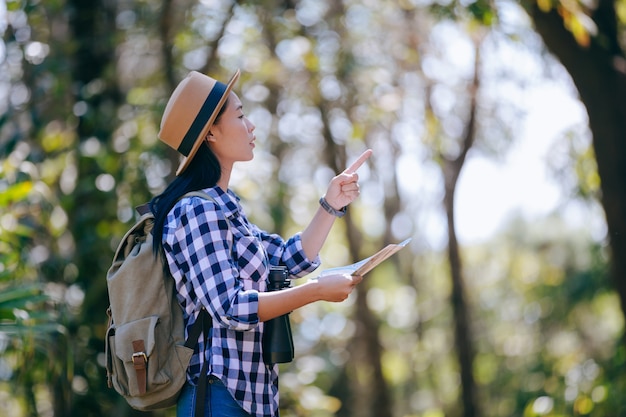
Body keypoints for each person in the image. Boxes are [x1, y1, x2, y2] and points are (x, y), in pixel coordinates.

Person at [149, 69, 372, 417]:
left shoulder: (225, 206)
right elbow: (231, 307)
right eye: (239, 116)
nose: (251, 125)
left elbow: (287, 259)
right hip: (217, 395)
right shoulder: (195, 211)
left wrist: (332, 204)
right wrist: (316, 291)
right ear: (210, 132)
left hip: (253, 396)